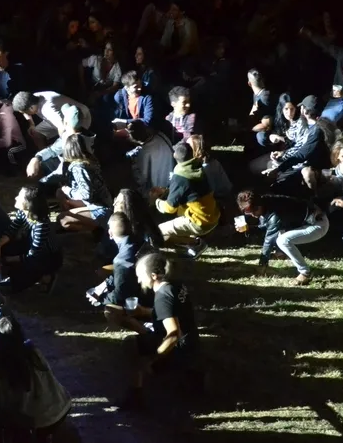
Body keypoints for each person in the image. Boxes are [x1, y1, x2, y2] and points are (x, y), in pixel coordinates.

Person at [120, 253, 202, 411]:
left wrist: (153, 359)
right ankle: (190, 374)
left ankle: (135, 396)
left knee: (130, 344)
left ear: (153, 276)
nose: (139, 280)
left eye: (140, 276)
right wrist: (143, 311)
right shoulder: (175, 285)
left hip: (179, 349)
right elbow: (172, 313)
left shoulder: (162, 296)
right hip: (192, 343)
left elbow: (173, 334)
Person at [0, 317, 74, 440]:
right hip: (62, 405)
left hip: (44, 420)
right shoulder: (33, 351)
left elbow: (14, 406)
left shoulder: (10, 367)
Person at [236, 190, 326, 282]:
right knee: (279, 232)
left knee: (283, 240)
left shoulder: (275, 212)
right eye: (249, 213)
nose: (253, 215)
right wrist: (249, 229)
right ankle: (280, 254)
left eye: (254, 211)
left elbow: (269, 240)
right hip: (303, 223)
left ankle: (305, 273)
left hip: (317, 224)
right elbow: (268, 226)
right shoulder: (264, 203)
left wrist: (262, 265)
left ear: (258, 206)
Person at [153, 142, 220, 258]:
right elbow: (188, 191)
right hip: (212, 215)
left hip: (200, 222)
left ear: (174, 156)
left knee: (159, 231)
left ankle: (196, 244)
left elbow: (169, 208)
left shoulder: (180, 177)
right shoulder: (196, 167)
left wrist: (157, 201)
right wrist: (168, 191)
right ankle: (194, 242)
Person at [0, 186, 61, 293]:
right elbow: (12, 229)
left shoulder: (41, 225)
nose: (15, 198)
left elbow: (33, 254)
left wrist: (7, 259)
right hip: (29, 246)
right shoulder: (23, 212)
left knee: (17, 281)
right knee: (5, 248)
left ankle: (47, 276)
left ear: (28, 204)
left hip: (47, 257)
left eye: (19, 197)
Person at [52, 134, 114, 232]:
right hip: (97, 202)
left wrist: (68, 190)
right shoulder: (91, 161)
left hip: (100, 207)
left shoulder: (78, 167)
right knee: (60, 192)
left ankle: (95, 231)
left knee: (62, 219)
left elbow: (86, 194)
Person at [12, 91, 92, 145]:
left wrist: (62, 144)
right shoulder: (32, 98)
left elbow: (62, 128)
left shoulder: (47, 109)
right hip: (57, 119)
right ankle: (43, 156)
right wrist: (31, 124)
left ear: (31, 108)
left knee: (68, 143)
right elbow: (24, 111)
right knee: (35, 133)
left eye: (25, 112)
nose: (25, 114)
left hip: (79, 118)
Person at [126, 121, 174, 198]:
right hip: (171, 183)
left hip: (156, 192)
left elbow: (141, 179)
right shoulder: (162, 136)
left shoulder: (144, 152)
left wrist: (134, 164)